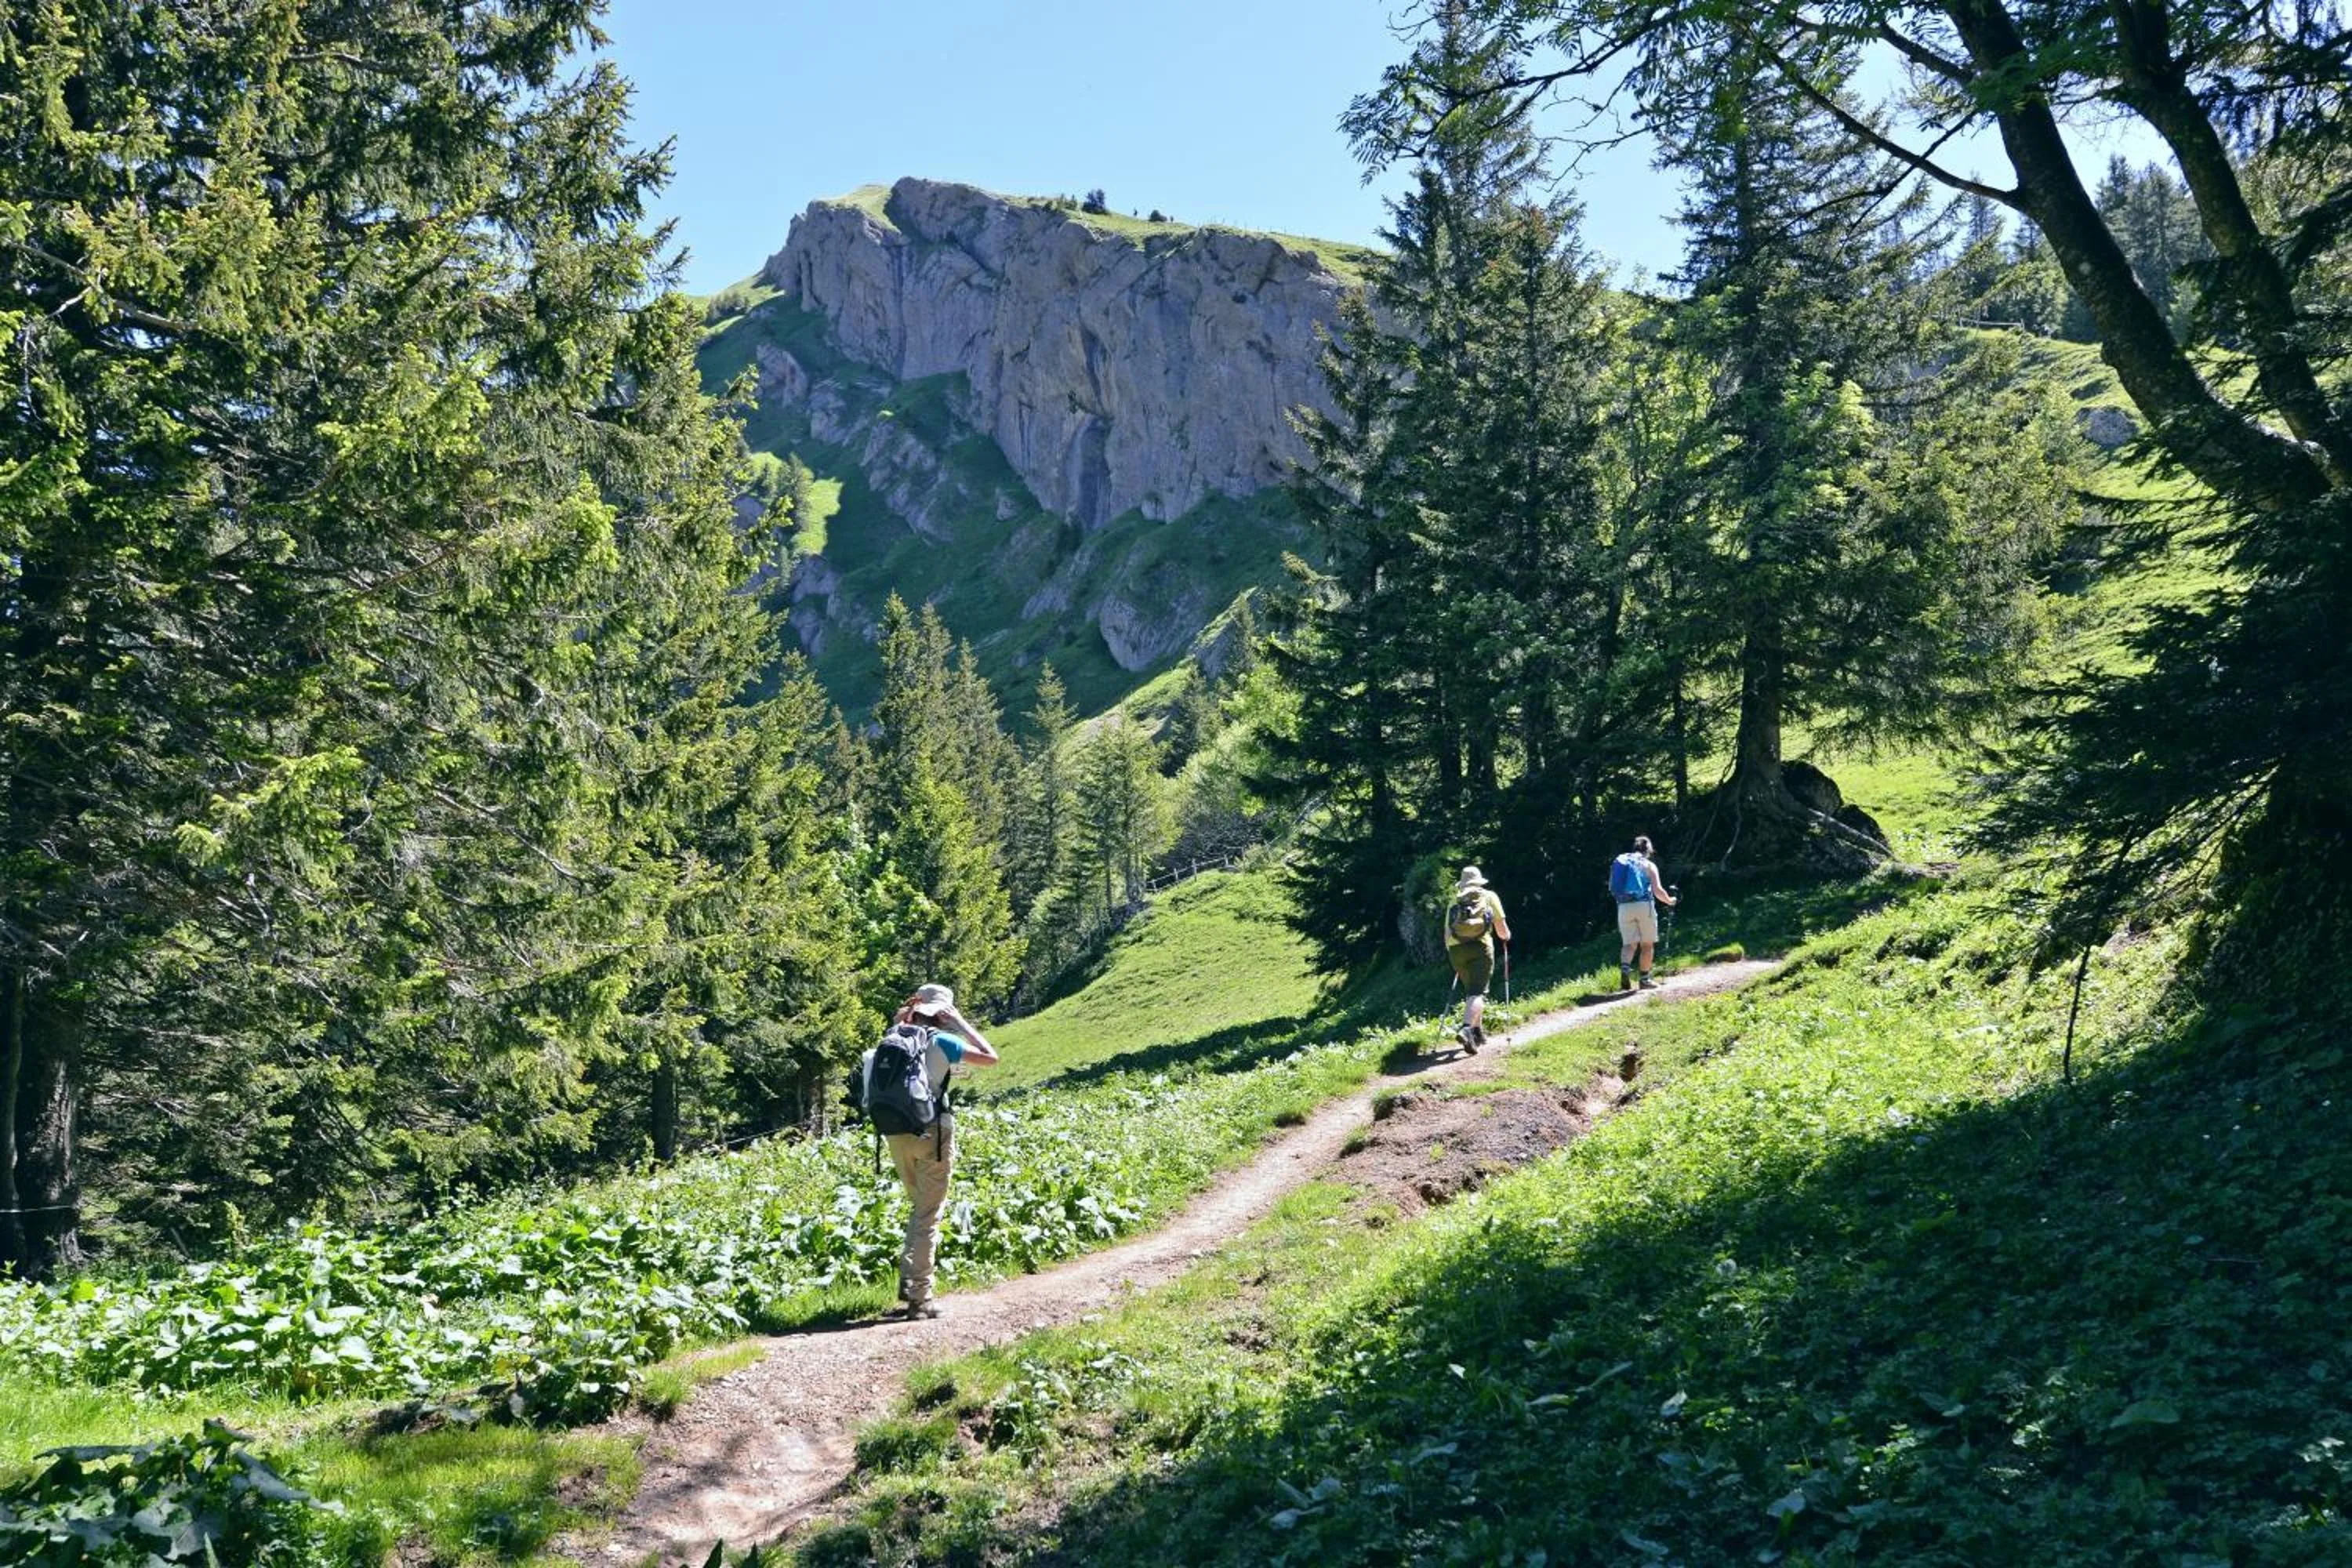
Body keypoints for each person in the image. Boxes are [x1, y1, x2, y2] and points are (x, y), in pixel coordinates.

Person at [877, 982, 998, 1319]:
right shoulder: (944, 1040)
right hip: (931, 1131)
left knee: (920, 1209)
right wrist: (961, 1023)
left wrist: (905, 1015)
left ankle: (909, 1284)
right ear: (943, 1013)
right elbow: (991, 1058)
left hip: (895, 1133)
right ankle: (920, 1298)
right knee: (928, 1215)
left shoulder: (894, 1036)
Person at [1443, 866, 1512, 1052]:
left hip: (1456, 951)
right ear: (1480, 882)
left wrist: (1455, 952)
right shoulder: (1489, 897)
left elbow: (1447, 935)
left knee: (1472, 992)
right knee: (1478, 993)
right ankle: (1466, 1028)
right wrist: (1506, 937)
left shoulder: (1454, 900)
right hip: (1481, 948)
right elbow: (1502, 930)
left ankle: (1476, 1033)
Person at [1610, 836, 1677, 992]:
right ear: (1649, 850)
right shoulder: (1648, 865)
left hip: (1624, 907)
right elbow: (1657, 891)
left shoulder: (1622, 862)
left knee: (1629, 944)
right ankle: (1645, 980)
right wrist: (1670, 901)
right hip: (1644, 906)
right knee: (1647, 944)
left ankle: (1625, 969)